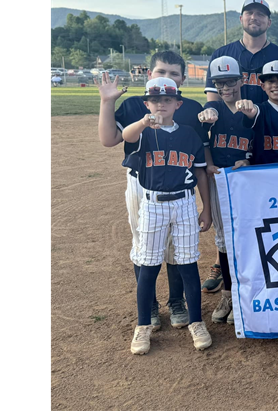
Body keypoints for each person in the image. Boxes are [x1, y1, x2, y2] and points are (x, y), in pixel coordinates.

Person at [98, 51, 203, 331]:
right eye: (161, 71)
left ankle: (176, 300)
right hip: (141, 182)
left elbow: (198, 153)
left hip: (178, 182)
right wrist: (107, 102)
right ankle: (151, 306)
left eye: (174, 74)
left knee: (177, 248)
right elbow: (109, 139)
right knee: (144, 244)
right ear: (149, 74)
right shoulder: (135, 105)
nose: (166, 78)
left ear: (182, 80)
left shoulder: (189, 107)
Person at [122, 77, 213, 354]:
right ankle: (142, 326)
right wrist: (143, 122)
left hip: (184, 203)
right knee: (148, 265)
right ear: (147, 103)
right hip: (152, 204)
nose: (161, 104)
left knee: (187, 263)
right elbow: (126, 136)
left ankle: (196, 322)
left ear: (178, 103)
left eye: (167, 100)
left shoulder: (189, 134)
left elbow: (199, 172)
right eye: (155, 100)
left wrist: (206, 207)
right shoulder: (143, 132)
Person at [195, 56, 255, 325]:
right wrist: (208, 163)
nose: (225, 87)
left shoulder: (252, 108)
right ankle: (229, 293)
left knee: (248, 237)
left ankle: (247, 292)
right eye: (219, 83)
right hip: (220, 179)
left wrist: (250, 158)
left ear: (241, 80)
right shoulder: (212, 109)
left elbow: (261, 141)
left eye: (230, 81)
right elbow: (202, 141)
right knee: (224, 239)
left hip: (246, 182)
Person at [204, 0, 278, 109]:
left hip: (269, 125)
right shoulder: (221, 55)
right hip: (231, 125)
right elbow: (213, 99)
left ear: (269, 22)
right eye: (249, 13)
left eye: (260, 14)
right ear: (241, 19)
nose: (254, 17)